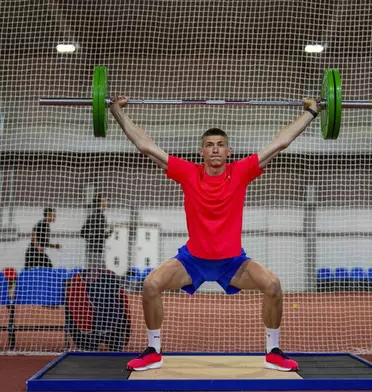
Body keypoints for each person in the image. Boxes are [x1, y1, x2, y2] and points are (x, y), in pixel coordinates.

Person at [110, 94, 321, 372]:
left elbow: (280, 142)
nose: (215, 150)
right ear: (201, 152)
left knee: (273, 286)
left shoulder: (241, 171)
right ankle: (153, 350)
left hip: (232, 263)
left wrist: (312, 113)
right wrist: (116, 112)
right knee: (150, 286)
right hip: (192, 261)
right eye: (209, 145)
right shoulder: (188, 172)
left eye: (221, 145)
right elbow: (146, 146)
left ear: (229, 151)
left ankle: (273, 351)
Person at [80, 194, 113, 271]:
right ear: (99, 203)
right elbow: (102, 236)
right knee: (99, 274)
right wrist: (110, 231)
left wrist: (91, 238)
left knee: (92, 273)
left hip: (91, 250)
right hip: (96, 251)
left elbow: (82, 233)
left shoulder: (91, 216)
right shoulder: (100, 217)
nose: (105, 203)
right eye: (103, 201)